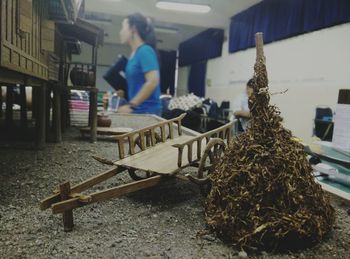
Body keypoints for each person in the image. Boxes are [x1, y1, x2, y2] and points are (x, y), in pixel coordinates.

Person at [117, 13, 162, 116]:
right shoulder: (134, 54)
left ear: (133, 29)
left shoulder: (145, 51)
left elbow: (153, 81)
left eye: (123, 28)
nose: (120, 32)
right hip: (138, 112)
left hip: (148, 113)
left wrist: (131, 105)